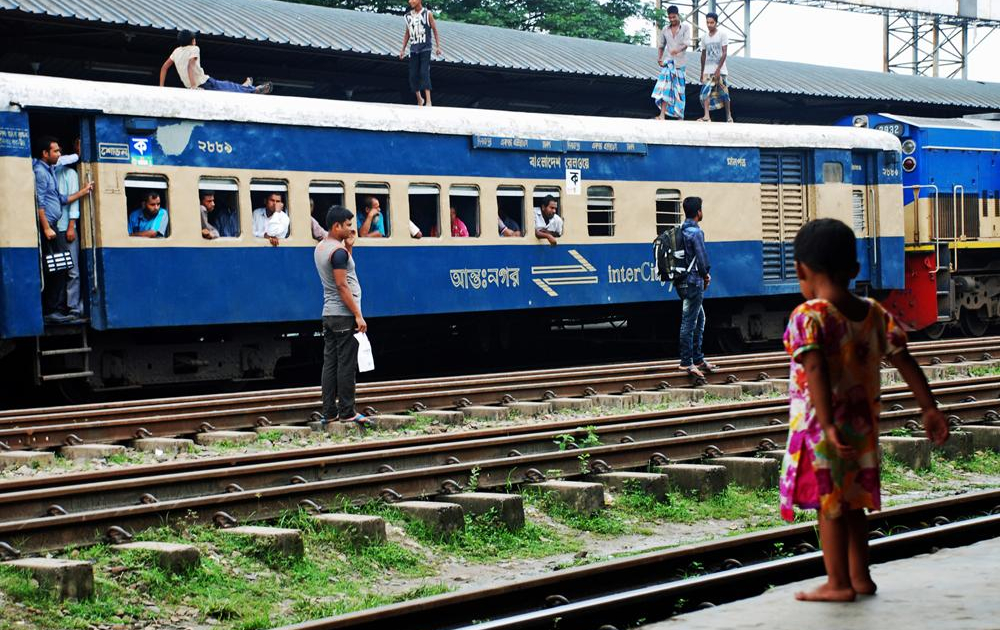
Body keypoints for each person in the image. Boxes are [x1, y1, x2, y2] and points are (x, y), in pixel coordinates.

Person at [780, 218, 949, 602]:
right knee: (853, 503)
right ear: (856, 268)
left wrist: (826, 423)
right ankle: (861, 577)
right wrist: (929, 408)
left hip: (825, 431)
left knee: (830, 507)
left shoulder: (808, 316)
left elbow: (815, 368)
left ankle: (837, 583)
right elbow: (904, 359)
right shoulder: (874, 313)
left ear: (801, 270)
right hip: (861, 429)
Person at [315, 205, 370, 426]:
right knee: (346, 364)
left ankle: (329, 412)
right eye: (347, 225)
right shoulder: (338, 253)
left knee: (330, 364)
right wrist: (358, 314)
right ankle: (347, 411)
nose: (351, 228)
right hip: (344, 315)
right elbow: (342, 285)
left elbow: (342, 271)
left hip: (329, 313)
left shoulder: (322, 247)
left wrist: (349, 247)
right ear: (336, 226)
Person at [33, 136, 92, 323]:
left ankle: (60, 308)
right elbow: (40, 203)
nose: (59, 154)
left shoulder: (51, 170)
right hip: (51, 228)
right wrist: (46, 227)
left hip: (56, 226)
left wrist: (82, 192)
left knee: (61, 267)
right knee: (58, 268)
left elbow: (61, 199)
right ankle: (54, 309)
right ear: (45, 153)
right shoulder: (41, 172)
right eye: (56, 151)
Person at [677, 196, 717, 378]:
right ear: (698, 212)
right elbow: (702, 261)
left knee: (699, 319)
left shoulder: (680, 230)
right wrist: (706, 275)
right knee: (689, 322)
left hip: (681, 282)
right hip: (693, 283)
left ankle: (698, 358)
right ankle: (686, 362)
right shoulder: (696, 233)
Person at [159, 30, 272, 94]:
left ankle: (245, 86)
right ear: (193, 41)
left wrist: (161, 87)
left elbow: (164, 67)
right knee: (229, 86)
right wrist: (193, 86)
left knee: (228, 86)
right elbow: (190, 65)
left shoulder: (176, 51)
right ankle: (254, 89)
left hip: (193, 84)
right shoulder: (194, 48)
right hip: (204, 82)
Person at [55, 138, 83, 320]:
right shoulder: (51, 172)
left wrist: (72, 226)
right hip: (54, 229)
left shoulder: (70, 173)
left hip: (66, 228)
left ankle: (73, 307)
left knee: (72, 270)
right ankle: (59, 306)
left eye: (59, 151)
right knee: (59, 269)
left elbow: (74, 202)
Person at [398, 0, 442, 107]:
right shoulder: (408, 16)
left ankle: (428, 101)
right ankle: (419, 99)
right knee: (413, 75)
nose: (410, 1)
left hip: (425, 48)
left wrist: (438, 46)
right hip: (414, 49)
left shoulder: (427, 14)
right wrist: (403, 49)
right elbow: (407, 33)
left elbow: (435, 30)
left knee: (424, 72)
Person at [652, 5, 690, 120]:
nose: (672, 19)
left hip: (680, 64)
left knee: (679, 90)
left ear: (678, 15)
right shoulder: (665, 29)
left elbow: (686, 44)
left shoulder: (685, 28)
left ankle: (680, 116)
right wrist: (659, 58)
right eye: (670, 17)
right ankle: (662, 114)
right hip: (668, 62)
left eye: (674, 17)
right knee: (665, 88)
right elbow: (661, 45)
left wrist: (677, 50)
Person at [698, 13, 733, 122]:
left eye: (712, 22)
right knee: (705, 93)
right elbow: (703, 55)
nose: (709, 25)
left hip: (721, 70)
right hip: (708, 70)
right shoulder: (704, 37)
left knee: (724, 93)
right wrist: (702, 72)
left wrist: (718, 69)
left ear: (716, 23)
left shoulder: (722, 35)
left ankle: (729, 116)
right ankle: (706, 116)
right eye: (707, 22)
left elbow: (724, 53)